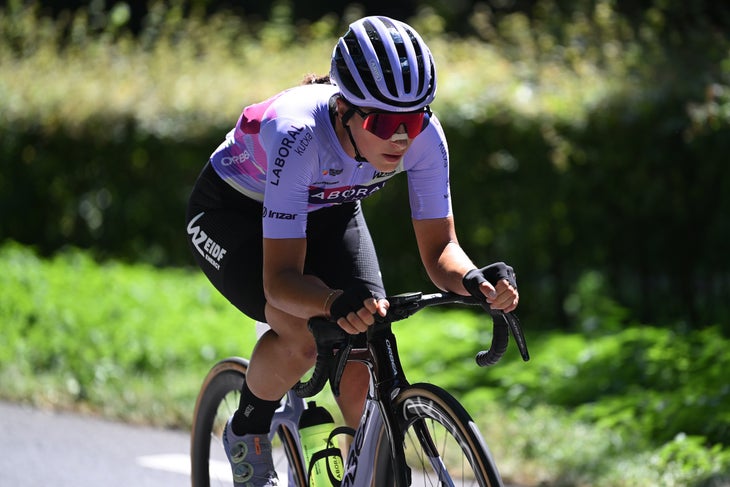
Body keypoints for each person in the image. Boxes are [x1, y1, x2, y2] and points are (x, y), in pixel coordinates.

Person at [186, 15, 519, 487]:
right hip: (234, 214)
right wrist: (326, 302)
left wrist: (474, 280)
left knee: (365, 351)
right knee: (304, 335)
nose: (401, 137)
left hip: (329, 207)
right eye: (384, 122)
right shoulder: (299, 135)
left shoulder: (426, 139)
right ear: (344, 109)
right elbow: (280, 281)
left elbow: (441, 248)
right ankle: (248, 430)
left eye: (414, 118)